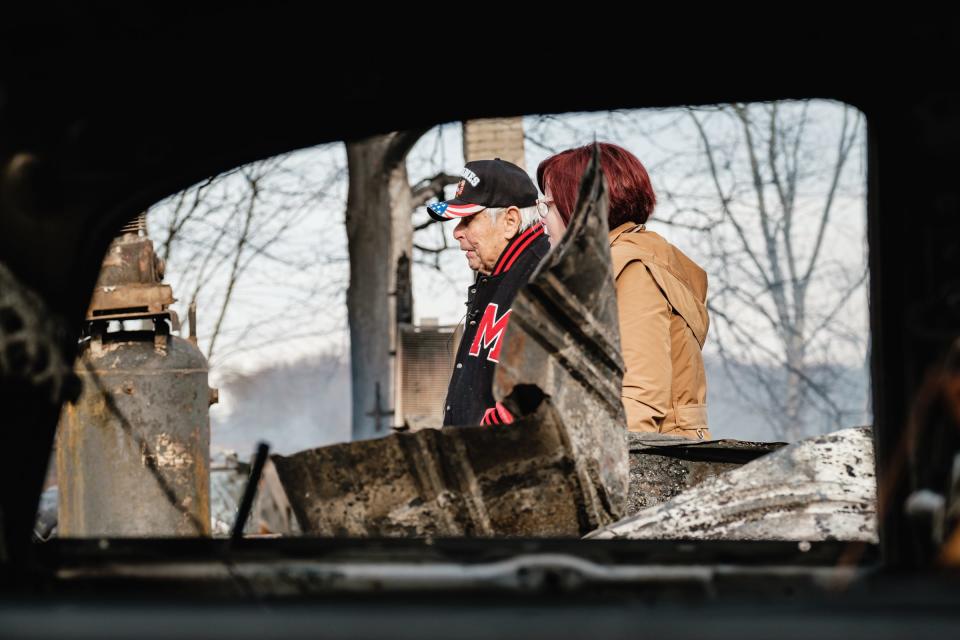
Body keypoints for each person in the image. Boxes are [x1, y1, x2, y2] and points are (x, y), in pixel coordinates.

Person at [536, 143, 711, 439]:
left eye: (548, 205)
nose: (542, 217)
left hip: (654, 469)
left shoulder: (631, 269)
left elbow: (638, 399)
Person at [426, 159, 550, 427]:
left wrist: (485, 438)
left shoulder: (544, 280)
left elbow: (542, 388)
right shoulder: (497, 274)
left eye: (468, 219)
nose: (457, 232)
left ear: (510, 221)